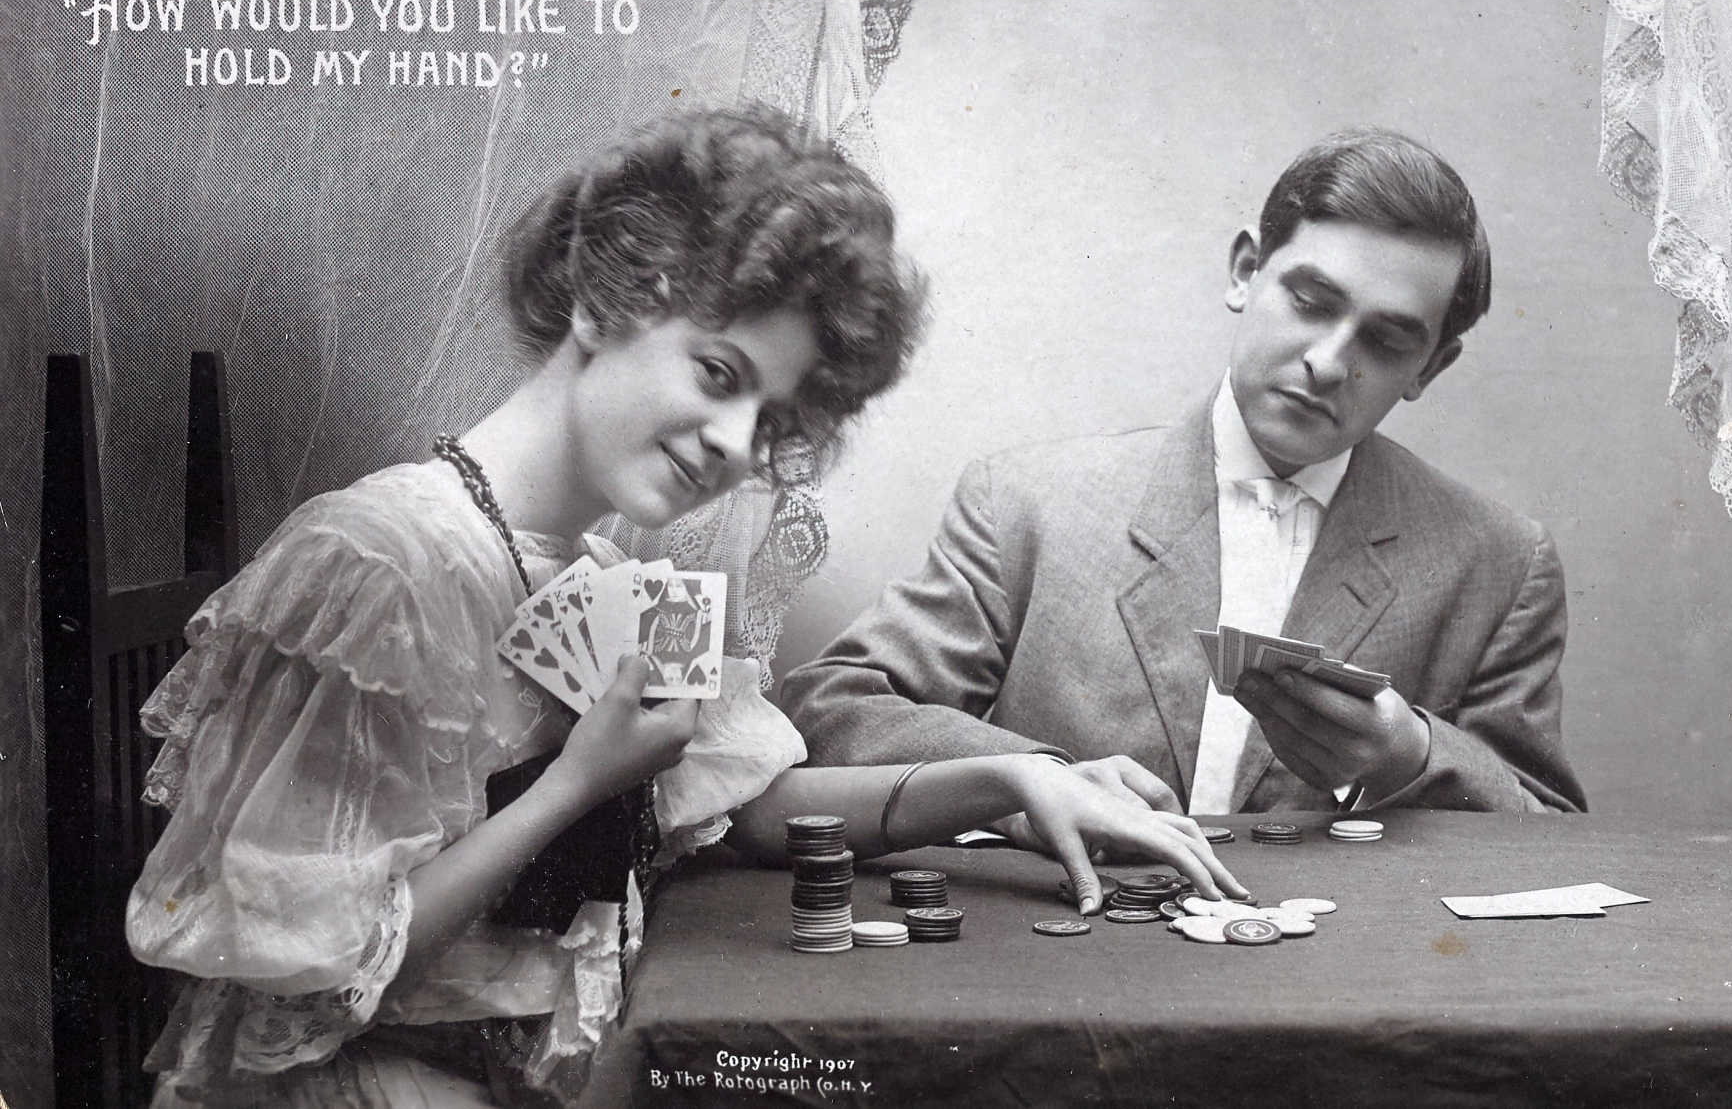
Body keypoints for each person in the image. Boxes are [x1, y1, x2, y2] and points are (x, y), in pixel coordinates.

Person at [126, 106, 1242, 1109]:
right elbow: (293, 990)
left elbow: (751, 808)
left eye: (770, 421)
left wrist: (1009, 777)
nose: (733, 447)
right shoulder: (380, 564)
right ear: (604, 302)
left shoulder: (598, 574)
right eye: (719, 374)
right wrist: (573, 784)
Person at [783, 128, 1588, 816]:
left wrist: (1412, 756)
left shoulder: (1499, 562)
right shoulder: (1027, 506)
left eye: (1386, 341)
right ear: (1245, 271)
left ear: (1432, 366)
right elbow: (831, 711)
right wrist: (1030, 780)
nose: (1328, 359)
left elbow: (1546, 830)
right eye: (1311, 300)